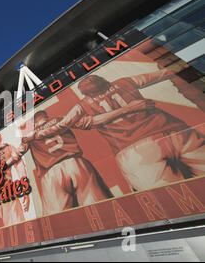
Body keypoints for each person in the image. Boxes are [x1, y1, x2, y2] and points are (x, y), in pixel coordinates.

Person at [39, 70, 205, 191]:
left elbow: (71, 124)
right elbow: (162, 73)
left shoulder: (83, 105)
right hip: (175, 132)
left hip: (134, 149)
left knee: (172, 200)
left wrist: (35, 134)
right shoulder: (125, 82)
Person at [20, 110, 112, 215]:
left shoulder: (28, 136)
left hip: (50, 173)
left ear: (34, 123)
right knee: (100, 209)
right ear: (46, 116)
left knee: (59, 220)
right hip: (75, 163)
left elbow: (18, 152)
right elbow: (89, 122)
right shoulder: (61, 119)